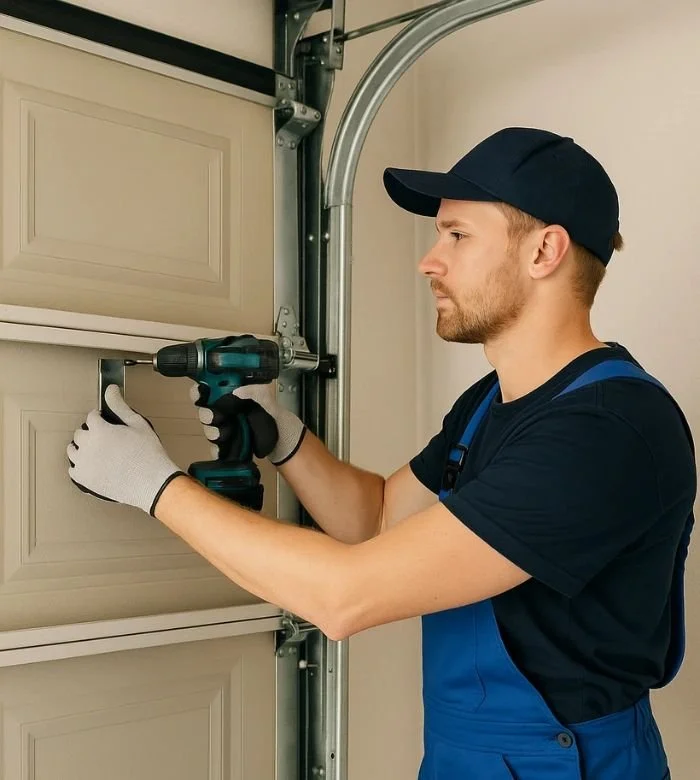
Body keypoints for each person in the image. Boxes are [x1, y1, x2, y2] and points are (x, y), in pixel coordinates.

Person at [67, 127, 696, 779]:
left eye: (457, 235)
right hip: (468, 758)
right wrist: (283, 437)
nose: (429, 260)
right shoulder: (491, 402)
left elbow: (344, 595)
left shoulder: (606, 432)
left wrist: (156, 488)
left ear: (545, 250)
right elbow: (379, 517)